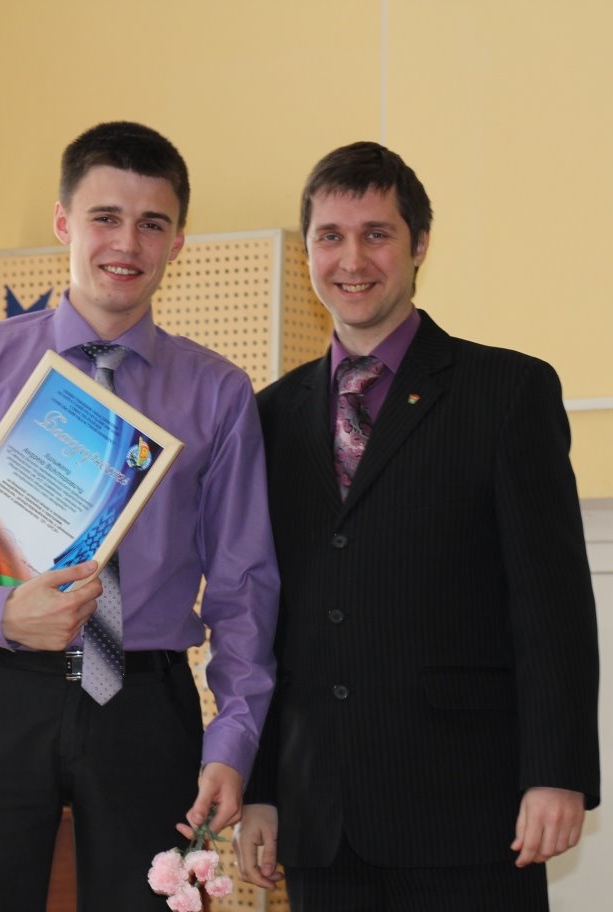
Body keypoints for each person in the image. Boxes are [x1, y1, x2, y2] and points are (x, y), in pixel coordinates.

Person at [0, 121, 279, 911]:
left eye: (152, 224)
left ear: (178, 243)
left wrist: (233, 740)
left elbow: (244, 588)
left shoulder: (217, 392)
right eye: (105, 218)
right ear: (64, 223)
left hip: (146, 706)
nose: (127, 243)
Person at [233, 141, 599, 911]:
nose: (351, 260)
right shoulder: (268, 416)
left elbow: (552, 605)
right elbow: (265, 621)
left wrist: (556, 773)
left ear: (419, 243)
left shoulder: (508, 392)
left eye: (377, 233)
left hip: (471, 813)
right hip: (321, 819)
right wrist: (261, 787)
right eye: (330, 237)